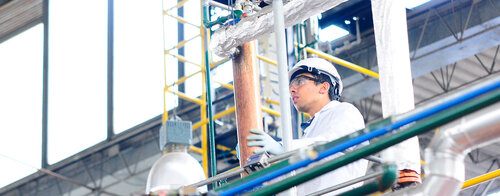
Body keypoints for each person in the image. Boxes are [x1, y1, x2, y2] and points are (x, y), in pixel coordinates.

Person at [246, 57, 368, 195]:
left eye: (299, 82)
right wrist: (260, 165)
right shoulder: (309, 134)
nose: (292, 89)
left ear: (323, 87)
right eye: (291, 85)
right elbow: (295, 183)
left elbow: (331, 145)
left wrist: (282, 147)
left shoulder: (345, 111)